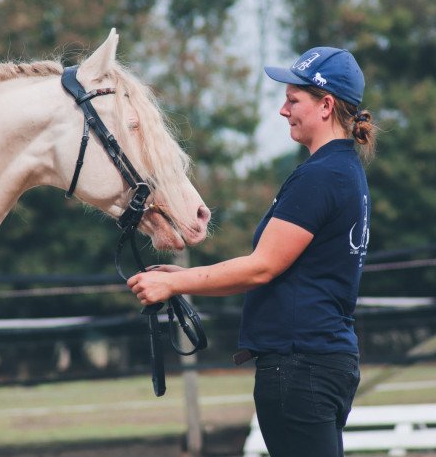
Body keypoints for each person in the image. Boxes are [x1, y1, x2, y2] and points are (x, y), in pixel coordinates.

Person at [127, 46, 377, 457]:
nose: (284, 111)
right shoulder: (343, 171)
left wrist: (173, 287)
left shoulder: (321, 176)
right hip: (321, 359)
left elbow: (262, 267)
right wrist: (177, 277)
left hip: (300, 366)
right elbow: (274, 266)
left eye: (293, 100)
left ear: (326, 105)